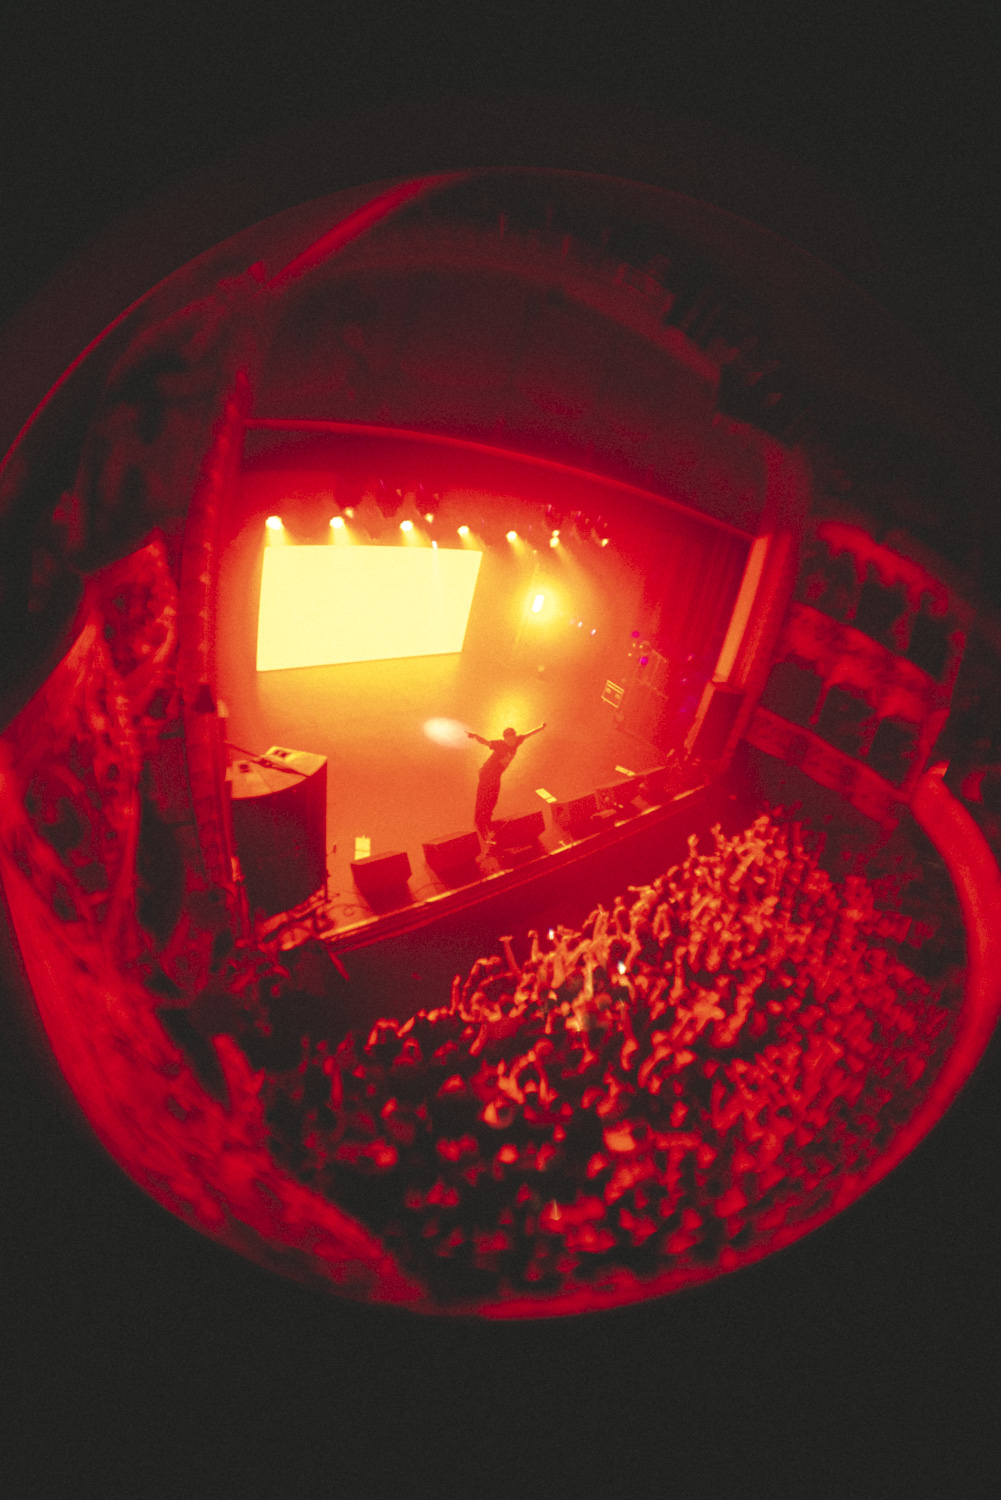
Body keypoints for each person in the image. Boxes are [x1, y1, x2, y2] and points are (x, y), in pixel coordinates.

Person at [467, 722, 546, 842]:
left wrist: (540, 728)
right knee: (487, 798)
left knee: (493, 799)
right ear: (505, 739)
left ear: (515, 737)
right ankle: (483, 825)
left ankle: (486, 823)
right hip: (487, 773)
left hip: (496, 775)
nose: (511, 742)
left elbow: (528, 734)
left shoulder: (518, 740)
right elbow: (486, 742)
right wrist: (475, 736)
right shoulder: (500, 744)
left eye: (512, 739)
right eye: (508, 740)